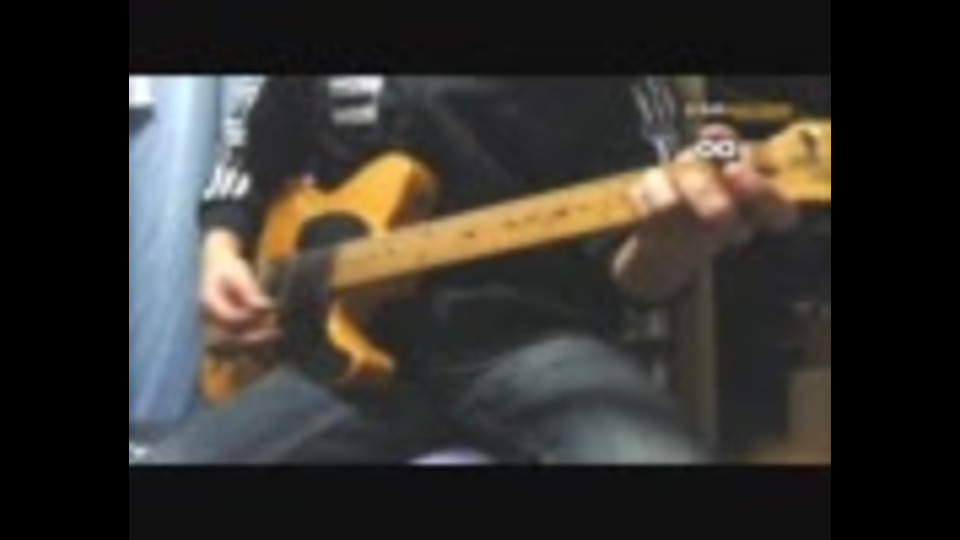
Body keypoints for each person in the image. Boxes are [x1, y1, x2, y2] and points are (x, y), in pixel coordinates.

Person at [188, 76, 797, 464]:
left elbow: (641, 279)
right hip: (341, 357)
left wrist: (673, 242)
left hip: (535, 343)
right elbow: (246, 144)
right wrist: (221, 251)